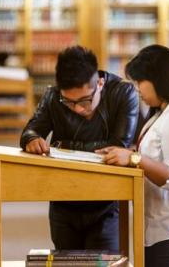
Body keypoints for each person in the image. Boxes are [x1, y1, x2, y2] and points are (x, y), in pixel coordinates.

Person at [97, 45, 169, 267]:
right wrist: (126, 154)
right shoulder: (162, 114)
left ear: (159, 79)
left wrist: (133, 159)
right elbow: (157, 159)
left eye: (141, 81)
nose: (138, 89)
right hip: (161, 222)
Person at [20, 45, 141, 250]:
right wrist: (32, 140)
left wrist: (61, 146)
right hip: (63, 198)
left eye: (85, 101)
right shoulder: (53, 96)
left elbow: (118, 146)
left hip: (106, 201)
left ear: (100, 83)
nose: (77, 108)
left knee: (104, 262)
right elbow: (30, 132)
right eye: (68, 102)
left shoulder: (123, 93)